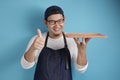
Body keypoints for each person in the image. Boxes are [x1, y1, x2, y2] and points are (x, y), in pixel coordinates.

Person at [21, 5, 90, 80]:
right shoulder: (37, 40)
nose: (57, 25)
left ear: (64, 20)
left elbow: (81, 70)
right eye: (52, 22)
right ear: (45, 22)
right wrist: (33, 48)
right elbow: (25, 65)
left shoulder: (72, 40)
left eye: (60, 21)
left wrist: (82, 51)